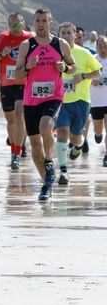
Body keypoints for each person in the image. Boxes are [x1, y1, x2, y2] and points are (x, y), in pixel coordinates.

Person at [14, 9, 77, 201]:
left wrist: (65, 67)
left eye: (44, 21)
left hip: (54, 96)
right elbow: (17, 74)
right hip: (31, 99)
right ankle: (46, 185)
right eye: (37, 21)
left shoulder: (60, 44)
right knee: (34, 145)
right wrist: (28, 67)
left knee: (46, 126)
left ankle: (49, 163)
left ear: (50, 23)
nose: (40, 24)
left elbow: (73, 67)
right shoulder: (26, 45)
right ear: (33, 23)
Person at [54, 22, 102, 184]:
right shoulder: (54, 53)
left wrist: (83, 76)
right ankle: (63, 170)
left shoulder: (84, 53)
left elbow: (97, 73)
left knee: (75, 137)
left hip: (81, 102)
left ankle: (79, 144)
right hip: (61, 102)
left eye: (69, 33)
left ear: (75, 35)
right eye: (63, 33)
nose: (66, 36)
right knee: (61, 133)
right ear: (59, 35)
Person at [0, 13, 33, 169]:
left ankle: (17, 153)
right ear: (8, 25)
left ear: (23, 23)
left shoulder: (30, 38)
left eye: (18, 24)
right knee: (11, 121)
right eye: (12, 25)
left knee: (20, 115)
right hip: (7, 84)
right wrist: (2, 54)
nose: (15, 28)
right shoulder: (2, 38)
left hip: (24, 82)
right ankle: (13, 150)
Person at [88, 36, 107, 165]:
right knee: (98, 130)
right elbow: (84, 78)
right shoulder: (92, 60)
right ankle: (98, 134)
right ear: (96, 47)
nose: (103, 49)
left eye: (106, 47)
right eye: (100, 46)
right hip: (96, 101)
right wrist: (91, 81)